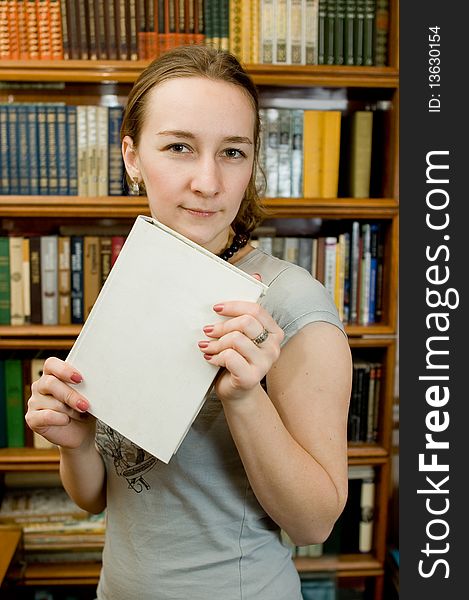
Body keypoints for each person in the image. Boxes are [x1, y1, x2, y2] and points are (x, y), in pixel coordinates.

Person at [25, 45, 352, 600]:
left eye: (232, 152)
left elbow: (314, 524)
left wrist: (246, 398)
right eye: (179, 147)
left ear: (252, 164)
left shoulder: (293, 303)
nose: (208, 181)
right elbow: (101, 497)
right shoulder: (134, 280)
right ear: (131, 157)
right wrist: (74, 444)